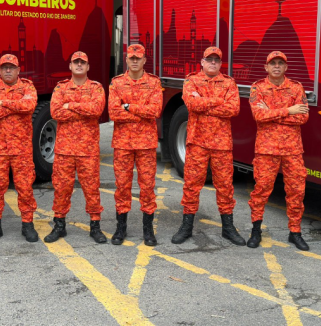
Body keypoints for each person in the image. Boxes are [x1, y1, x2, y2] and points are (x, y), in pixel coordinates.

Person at [172, 47, 246, 246]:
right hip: (197, 142)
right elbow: (191, 105)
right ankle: (186, 226)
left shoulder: (229, 83)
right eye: (209, 59)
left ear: (220, 64)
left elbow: (234, 109)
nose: (213, 62)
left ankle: (228, 228)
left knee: (225, 186)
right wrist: (219, 102)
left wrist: (203, 102)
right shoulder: (191, 81)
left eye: (216, 60)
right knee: (191, 185)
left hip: (221, 144)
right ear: (202, 62)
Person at [247, 51, 310, 251]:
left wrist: (271, 113)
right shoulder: (258, 87)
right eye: (272, 63)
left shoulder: (296, 87)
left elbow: (303, 117)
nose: (276, 66)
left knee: (296, 191)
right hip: (267, 149)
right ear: (266, 67)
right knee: (261, 190)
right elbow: (258, 115)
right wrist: (289, 110)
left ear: (286, 67)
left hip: (292, 149)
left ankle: (295, 232)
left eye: (280, 63)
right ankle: (256, 230)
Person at [44, 51, 108, 244]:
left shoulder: (96, 88)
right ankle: (59, 225)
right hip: (65, 150)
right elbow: (55, 112)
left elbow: (96, 110)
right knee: (61, 189)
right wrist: (82, 108)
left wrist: (70, 105)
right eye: (76, 62)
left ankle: (95, 226)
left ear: (88, 67)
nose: (79, 65)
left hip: (88, 150)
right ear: (70, 66)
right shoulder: (60, 87)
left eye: (83, 62)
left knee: (92, 189)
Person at [0, 54, 39, 244]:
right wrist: (15, 106)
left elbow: (29, 105)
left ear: (18, 70)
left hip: (21, 149)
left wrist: (3, 102)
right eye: (4, 67)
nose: (7, 70)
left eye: (11, 67)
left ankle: (27, 224)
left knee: (25, 188)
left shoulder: (27, 87)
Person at [108, 44, 162, 246]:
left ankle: (148, 230)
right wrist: (141, 113)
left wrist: (128, 106)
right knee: (122, 186)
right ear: (127, 60)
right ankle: (121, 228)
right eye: (132, 58)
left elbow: (155, 111)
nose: (135, 61)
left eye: (138, 58)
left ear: (144, 60)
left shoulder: (154, 83)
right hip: (123, 144)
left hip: (146, 144)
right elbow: (113, 113)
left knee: (147, 187)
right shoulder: (117, 83)